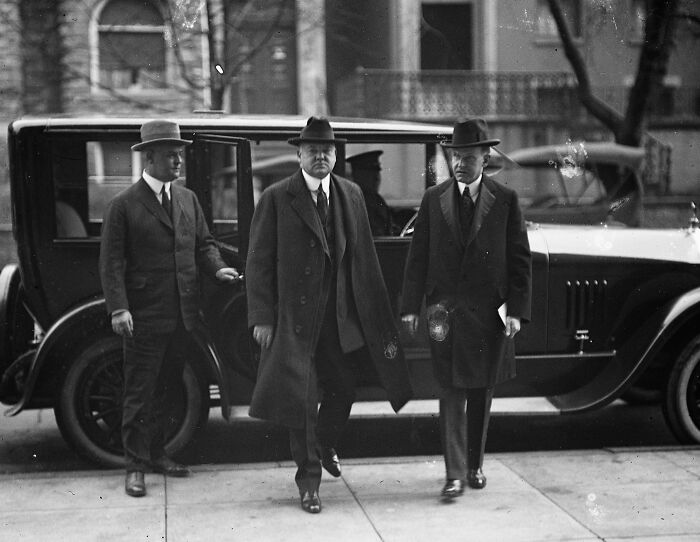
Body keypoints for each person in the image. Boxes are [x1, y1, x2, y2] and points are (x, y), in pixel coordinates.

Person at [246, 116, 412, 514]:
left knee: (344, 389)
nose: (320, 156)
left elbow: (364, 259)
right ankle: (310, 485)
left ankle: (322, 445)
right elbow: (258, 262)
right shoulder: (276, 197)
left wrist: (373, 312)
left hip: (339, 319)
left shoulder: (351, 194)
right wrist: (262, 318)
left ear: (335, 156)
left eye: (326, 150)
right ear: (298, 154)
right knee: (302, 404)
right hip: (295, 322)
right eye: (312, 150)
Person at [99, 120, 240, 498]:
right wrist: (119, 309)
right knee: (139, 392)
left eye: (180, 153)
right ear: (150, 157)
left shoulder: (187, 199)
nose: (179, 160)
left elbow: (204, 244)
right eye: (171, 154)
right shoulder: (123, 205)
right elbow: (111, 263)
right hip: (144, 317)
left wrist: (217, 267)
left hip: (184, 315)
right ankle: (134, 467)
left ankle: (158, 454)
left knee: (166, 389)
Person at [400, 118, 531, 500]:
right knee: (450, 392)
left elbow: (520, 261)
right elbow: (417, 259)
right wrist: (409, 307)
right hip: (444, 317)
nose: (460, 164)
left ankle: (474, 465)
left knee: (481, 394)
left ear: (485, 158)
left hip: (490, 317)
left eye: (468, 157)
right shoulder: (433, 198)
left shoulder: (504, 200)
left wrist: (517, 312)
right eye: (456, 156)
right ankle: (454, 474)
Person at [346, 150, 394, 236]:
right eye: (370, 173)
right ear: (357, 175)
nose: (377, 178)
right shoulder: (354, 201)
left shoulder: (376, 199)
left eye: (377, 172)